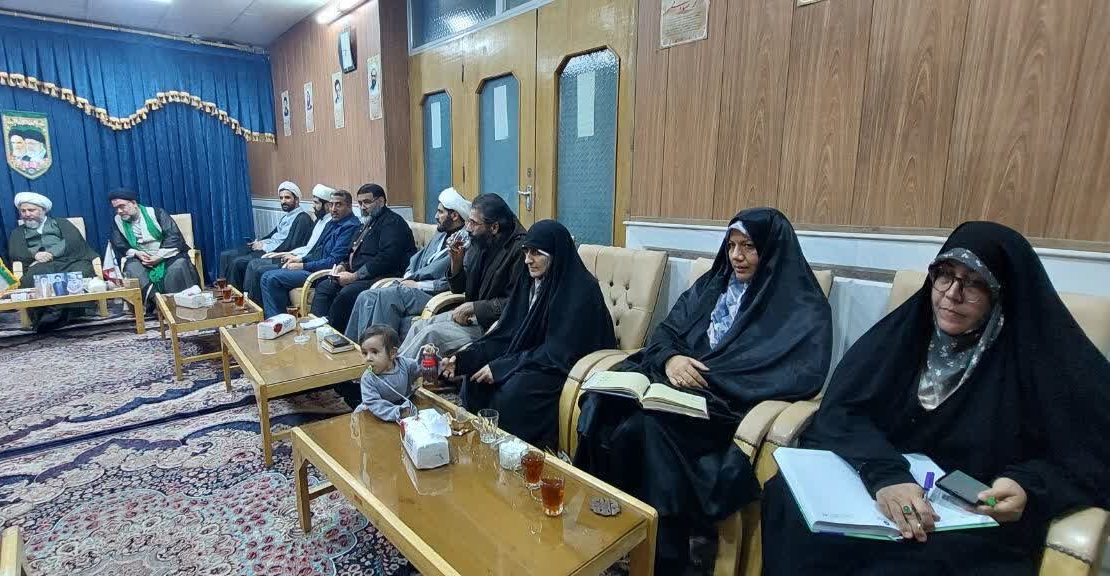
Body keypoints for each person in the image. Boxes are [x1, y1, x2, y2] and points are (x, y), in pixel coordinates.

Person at [761, 221, 1110, 575]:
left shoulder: (1036, 364)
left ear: (1001, 293)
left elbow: (1086, 456)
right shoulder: (906, 336)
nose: (952, 294)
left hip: (963, 525)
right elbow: (844, 412)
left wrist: (1027, 486)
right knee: (787, 500)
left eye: (975, 282)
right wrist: (885, 475)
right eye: (944, 274)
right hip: (881, 490)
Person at [574, 207, 833, 573]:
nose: (737, 256)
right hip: (674, 389)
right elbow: (667, 331)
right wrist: (671, 359)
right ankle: (610, 530)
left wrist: (712, 379)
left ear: (772, 249)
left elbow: (800, 375)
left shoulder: (802, 306)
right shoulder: (714, 285)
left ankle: (664, 556)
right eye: (731, 245)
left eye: (749, 247)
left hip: (726, 405)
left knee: (644, 430)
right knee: (604, 403)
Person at [440, 220, 615, 449]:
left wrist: (502, 367)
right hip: (533, 357)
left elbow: (559, 351)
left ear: (555, 254)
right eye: (526, 252)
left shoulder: (581, 290)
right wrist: (464, 359)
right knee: (475, 379)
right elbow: (507, 332)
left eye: (536, 253)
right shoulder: (530, 279)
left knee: (511, 394)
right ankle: (478, 447)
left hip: (564, 368)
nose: (527, 260)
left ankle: (514, 453)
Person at [397, 193, 526, 359]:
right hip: (470, 318)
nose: (468, 228)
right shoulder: (480, 242)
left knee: (430, 334)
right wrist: (456, 262)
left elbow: (517, 302)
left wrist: (474, 307)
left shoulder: (520, 251)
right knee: (418, 327)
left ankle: (396, 372)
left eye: (473, 223)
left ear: (494, 227)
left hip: (496, 328)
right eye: (468, 221)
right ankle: (392, 369)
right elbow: (459, 288)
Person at [344, 187, 471, 341]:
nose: (436, 216)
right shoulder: (441, 234)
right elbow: (417, 258)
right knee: (366, 296)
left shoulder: (464, 242)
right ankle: (355, 348)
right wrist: (408, 276)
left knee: (386, 297)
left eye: (440, 212)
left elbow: (451, 282)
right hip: (412, 286)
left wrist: (417, 285)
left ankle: (383, 351)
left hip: (433, 293)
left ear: (455, 215)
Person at [311, 183, 415, 332]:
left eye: (366, 202)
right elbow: (351, 250)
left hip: (381, 276)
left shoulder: (393, 222)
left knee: (346, 294)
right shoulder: (369, 221)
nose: (362, 207)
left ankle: (337, 337)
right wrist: (343, 265)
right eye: (359, 203)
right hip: (358, 274)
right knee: (324, 287)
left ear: (381, 201)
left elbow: (387, 259)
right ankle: (316, 330)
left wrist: (354, 276)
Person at [6, 192, 99, 331]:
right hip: (40, 264)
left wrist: (51, 253)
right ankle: (52, 313)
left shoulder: (61, 223)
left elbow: (74, 241)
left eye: (31, 210)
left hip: (68, 260)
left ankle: (65, 312)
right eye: (23, 211)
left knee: (81, 271)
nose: (27, 214)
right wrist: (35, 255)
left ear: (43, 210)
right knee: (34, 277)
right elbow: (15, 252)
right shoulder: (18, 232)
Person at [259, 190, 360, 314]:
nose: (333, 209)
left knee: (271, 278)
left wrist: (303, 265)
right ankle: (277, 318)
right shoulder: (332, 223)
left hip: (321, 273)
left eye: (338, 205)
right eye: (331, 204)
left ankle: (279, 320)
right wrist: (301, 259)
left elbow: (333, 261)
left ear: (349, 206)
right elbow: (317, 251)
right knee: (265, 275)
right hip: (312, 266)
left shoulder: (350, 226)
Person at [107, 188, 197, 310]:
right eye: (116, 208)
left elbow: (174, 236)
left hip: (167, 255)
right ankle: (157, 303)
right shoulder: (118, 221)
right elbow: (119, 244)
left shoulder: (157, 213)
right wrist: (137, 253)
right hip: (142, 259)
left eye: (122, 206)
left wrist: (158, 256)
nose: (119, 211)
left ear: (134, 203)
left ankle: (176, 304)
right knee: (132, 267)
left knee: (178, 266)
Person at [242, 184, 335, 299]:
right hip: (297, 257)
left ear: (327, 205)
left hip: (307, 264)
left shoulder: (327, 224)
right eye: (281, 198)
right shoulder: (319, 221)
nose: (313, 206)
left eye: (316, 203)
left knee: (260, 270)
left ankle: (256, 306)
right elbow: (307, 247)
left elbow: (312, 251)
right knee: (254, 264)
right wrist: (290, 254)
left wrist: (297, 258)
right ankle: (249, 302)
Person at [218, 181, 313, 290]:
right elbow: (273, 235)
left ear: (296, 200)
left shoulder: (302, 218)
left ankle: (236, 295)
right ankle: (223, 290)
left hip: (275, 253)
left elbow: (291, 245)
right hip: (269, 248)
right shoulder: (286, 217)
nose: (283, 201)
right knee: (226, 255)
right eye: (281, 198)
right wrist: (259, 242)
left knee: (238, 262)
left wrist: (264, 247)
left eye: (287, 198)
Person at [354, 325, 421, 423]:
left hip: (403, 409)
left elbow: (420, 368)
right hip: (376, 416)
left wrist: (429, 358)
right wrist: (399, 412)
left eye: (374, 352)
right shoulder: (368, 378)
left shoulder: (404, 364)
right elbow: (375, 404)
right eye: (365, 353)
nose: (368, 358)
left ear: (392, 353)